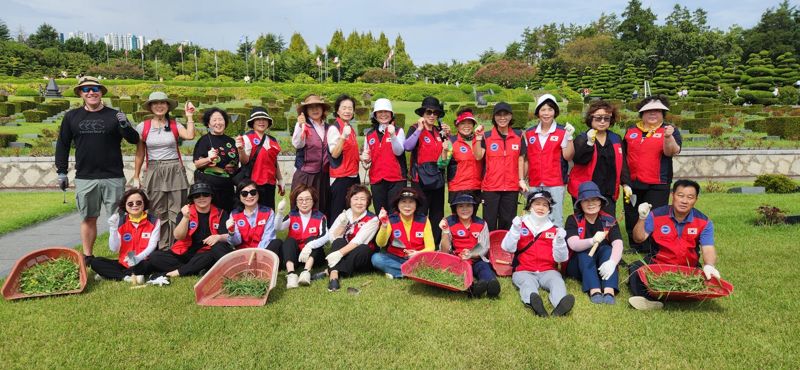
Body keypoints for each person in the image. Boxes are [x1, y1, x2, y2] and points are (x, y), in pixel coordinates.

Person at [55, 76, 140, 261]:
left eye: (95, 88)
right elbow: (62, 145)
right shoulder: (72, 116)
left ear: (101, 92)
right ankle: (88, 256)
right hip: (86, 176)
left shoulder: (114, 115)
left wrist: (125, 125)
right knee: (88, 218)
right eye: (86, 89)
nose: (91, 92)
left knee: (119, 219)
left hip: (113, 176)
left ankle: (125, 257)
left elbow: (134, 139)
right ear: (80, 94)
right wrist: (61, 172)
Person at [628, 179, 720, 310]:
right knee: (635, 269)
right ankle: (648, 301)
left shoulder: (704, 222)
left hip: (688, 268)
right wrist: (642, 218)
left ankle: (681, 294)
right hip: (658, 265)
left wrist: (710, 265)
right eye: (680, 195)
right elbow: (638, 238)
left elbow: (708, 248)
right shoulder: (656, 215)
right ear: (673, 195)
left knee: (707, 278)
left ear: (696, 200)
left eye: (690, 197)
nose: (684, 201)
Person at [132, 92, 195, 249]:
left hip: (174, 169)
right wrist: (136, 175)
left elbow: (190, 135)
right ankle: (159, 246)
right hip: (154, 169)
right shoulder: (143, 126)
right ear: (151, 107)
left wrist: (189, 116)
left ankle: (176, 245)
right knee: (156, 209)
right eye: (155, 103)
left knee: (177, 209)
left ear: (167, 106)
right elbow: (140, 153)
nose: (159, 106)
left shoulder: (174, 124)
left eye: (163, 103)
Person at [622, 95, 682, 253]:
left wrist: (668, 137)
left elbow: (672, 152)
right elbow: (623, 156)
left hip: (658, 183)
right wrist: (624, 181)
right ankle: (635, 246)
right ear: (642, 114)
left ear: (663, 113)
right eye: (648, 111)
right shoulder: (631, 131)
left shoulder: (669, 130)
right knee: (632, 214)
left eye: (657, 110)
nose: (653, 113)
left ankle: (652, 246)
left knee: (654, 214)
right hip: (633, 183)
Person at [501, 191, 574, 317]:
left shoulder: (554, 229)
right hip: (524, 270)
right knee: (527, 284)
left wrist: (560, 242)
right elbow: (507, 247)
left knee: (557, 282)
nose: (541, 208)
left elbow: (561, 258)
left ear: (549, 209)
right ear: (530, 206)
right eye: (537, 204)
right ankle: (534, 303)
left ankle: (560, 305)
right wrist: (514, 230)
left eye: (545, 205)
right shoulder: (520, 224)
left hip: (548, 270)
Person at [147, 182, 230, 281]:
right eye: (197, 195)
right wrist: (186, 218)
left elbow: (229, 237)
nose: (201, 198)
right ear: (192, 199)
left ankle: (178, 272)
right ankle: (196, 269)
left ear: (211, 196)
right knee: (155, 257)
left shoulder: (221, 213)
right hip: (185, 253)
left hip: (206, 253)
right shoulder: (185, 212)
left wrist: (219, 237)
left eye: (205, 194)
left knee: (215, 251)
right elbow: (179, 236)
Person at [568, 100, 631, 216]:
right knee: (585, 225)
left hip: (608, 189)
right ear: (591, 118)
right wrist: (589, 144)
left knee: (607, 224)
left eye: (606, 118)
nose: (602, 121)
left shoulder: (615, 139)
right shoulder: (582, 138)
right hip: (586, 191)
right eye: (598, 118)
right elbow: (579, 160)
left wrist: (626, 184)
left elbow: (622, 163)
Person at [521, 93, 575, 226]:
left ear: (555, 112)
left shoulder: (562, 131)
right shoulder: (529, 133)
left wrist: (569, 137)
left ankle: (556, 245)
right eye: (543, 109)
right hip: (535, 181)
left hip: (555, 182)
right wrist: (522, 179)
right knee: (534, 216)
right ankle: (537, 245)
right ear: (538, 112)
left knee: (555, 217)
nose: (546, 113)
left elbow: (568, 156)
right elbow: (527, 158)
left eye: (550, 110)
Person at [565, 181, 623, 304]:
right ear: (580, 203)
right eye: (586, 200)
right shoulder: (573, 219)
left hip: (602, 264)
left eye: (594, 199)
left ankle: (609, 290)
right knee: (584, 253)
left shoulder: (609, 220)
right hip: (579, 265)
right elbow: (573, 244)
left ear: (600, 202)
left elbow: (618, 243)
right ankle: (594, 290)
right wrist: (592, 241)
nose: (591, 203)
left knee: (607, 250)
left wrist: (612, 262)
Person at [474, 102, 525, 231]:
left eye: (505, 114)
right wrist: (478, 138)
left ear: (510, 116)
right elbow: (478, 156)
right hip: (491, 187)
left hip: (511, 187)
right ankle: (489, 250)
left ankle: (505, 251)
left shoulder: (518, 136)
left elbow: (521, 159)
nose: (502, 118)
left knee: (507, 222)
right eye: (499, 115)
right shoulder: (487, 136)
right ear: (494, 117)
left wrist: (521, 180)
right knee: (489, 222)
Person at [404, 96, 449, 244]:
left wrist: (447, 135)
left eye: (435, 113)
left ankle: (435, 244)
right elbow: (408, 147)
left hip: (437, 177)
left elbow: (447, 151)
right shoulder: (414, 128)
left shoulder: (439, 131)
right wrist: (419, 130)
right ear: (423, 113)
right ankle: (418, 243)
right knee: (421, 212)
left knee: (437, 213)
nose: (432, 115)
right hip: (420, 178)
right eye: (428, 112)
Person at [89, 189, 158, 281]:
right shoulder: (121, 221)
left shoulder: (154, 221)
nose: (135, 206)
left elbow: (152, 246)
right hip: (124, 262)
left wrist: (138, 258)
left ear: (144, 203)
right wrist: (113, 228)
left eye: (138, 202)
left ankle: (109, 274)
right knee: (95, 262)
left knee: (148, 265)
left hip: (143, 261)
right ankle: (126, 277)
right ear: (125, 205)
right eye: (130, 204)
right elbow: (114, 248)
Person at [439, 194, 499, 298]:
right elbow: (444, 250)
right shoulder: (449, 222)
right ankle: (472, 289)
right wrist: (445, 231)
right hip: (458, 259)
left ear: (473, 208)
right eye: (461, 206)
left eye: (468, 206)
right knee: (460, 274)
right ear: (455, 208)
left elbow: (484, 247)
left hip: (476, 259)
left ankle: (490, 285)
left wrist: (471, 254)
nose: (465, 209)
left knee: (484, 269)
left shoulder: (481, 223)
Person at [324, 184, 380, 291]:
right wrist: (342, 225)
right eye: (356, 199)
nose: (359, 203)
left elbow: (358, 241)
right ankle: (334, 276)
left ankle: (329, 270)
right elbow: (331, 237)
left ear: (368, 202)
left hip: (361, 256)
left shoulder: (373, 219)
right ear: (350, 200)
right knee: (338, 241)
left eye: (363, 199)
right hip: (345, 251)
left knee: (363, 248)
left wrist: (339, 253)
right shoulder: (345, 214)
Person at [372, 187, 435, 279]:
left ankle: (399, 272)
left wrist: (418, 253)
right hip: (396, 258)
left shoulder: (424, 220)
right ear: (397, 204)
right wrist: (384, 225)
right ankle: (413, 273)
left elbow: (431, 247)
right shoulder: (391, 219)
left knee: (433, 260)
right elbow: (381, 243)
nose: (407, 206)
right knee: (376, 258)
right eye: (403, 202)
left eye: (411, 202)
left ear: (416, 204)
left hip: (418, 258)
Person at [273, 184, 328, 289]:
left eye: (308, 199)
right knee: (289, 240)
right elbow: (278, 227)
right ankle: (291, 274)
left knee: (314, 239)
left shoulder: (320, 216)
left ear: (313, 201)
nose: (304, 203)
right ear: (296, 202)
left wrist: (310, 246)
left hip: (313, 257)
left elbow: (326, 236)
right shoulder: (292, 215)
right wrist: (280, 213)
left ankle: (306, 272)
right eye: (300, 200)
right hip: (295, 255)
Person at [361, 98, 407, 213]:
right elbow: (367, 158)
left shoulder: (398, 131)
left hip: (396, 179)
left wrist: (392, 135)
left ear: (391, 114)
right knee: (380, 213)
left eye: (386, 112)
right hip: (377, 180)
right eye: (380, 112)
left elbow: (399, 151)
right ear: (375, 115)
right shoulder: (370, 134)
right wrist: (365, 159)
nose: (383, 115)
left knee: (395, 213)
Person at [292, 94, 332, 219]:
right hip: (305, 174)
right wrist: (300, 126)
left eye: (318, 107)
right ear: (306, 111)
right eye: (311, 108)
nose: (315, 110)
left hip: (323, 175)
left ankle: (319, 230)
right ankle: (299, 231)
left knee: (321, 203)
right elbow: (297, 144)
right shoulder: (303, 125)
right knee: (303, 203)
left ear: (323, 109)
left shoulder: (328, 127)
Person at [235, 107, 284, 209]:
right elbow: (244, 161)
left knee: (269, 213)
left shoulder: (272, 140)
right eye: (258, 119)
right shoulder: (247, 138)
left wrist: (280, 179)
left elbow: (274, 161)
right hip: (253, 185)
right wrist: (241, 149)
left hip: (270, 184)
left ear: (268, 122)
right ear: (252, 122)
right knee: (253, 213)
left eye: (264, 119)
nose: (261, 122)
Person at [193, 108, 238, 211]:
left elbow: (236, 164)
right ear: (208, 124)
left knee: (226, 218)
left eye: (220, 119)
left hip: (228, 189)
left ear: (225, 122)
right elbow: (197, 163)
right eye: (214, 120)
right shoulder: (204, 140)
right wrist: (209, 159)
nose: (218, 122)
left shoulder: (231, 141)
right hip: (209, 189)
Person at [327, 94, 360, 223]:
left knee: (351, 210)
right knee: (338, 211)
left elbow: (350, 152)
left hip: (353, 175)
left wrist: (362, 158)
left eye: (350, 108)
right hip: (340, 177)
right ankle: (333, 240)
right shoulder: (334, 128)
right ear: (338, 110)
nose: (347, 111)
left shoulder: (350, 128)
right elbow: (334, 154)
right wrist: (342, 136)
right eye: (344, 108)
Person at [225, 180, 280, 252]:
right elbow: (236, 242)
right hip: (243, 254)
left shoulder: (269, 212)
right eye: (244, 193)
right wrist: (231, 232)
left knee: (277, 243)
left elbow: (268, 238)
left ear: (258, 193)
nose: (249, 196)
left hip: (263, 252)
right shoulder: (234, 214)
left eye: (253, 192)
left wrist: (256, 253)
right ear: (239, 196)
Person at [446, 108, 483, 208]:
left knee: (473, 221)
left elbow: (481, 158)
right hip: (458, 188)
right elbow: (442, 163)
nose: (466, 126)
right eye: (463, 123)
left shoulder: (479, 140)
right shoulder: (451, 141)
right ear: (457, 125)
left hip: (476, 187)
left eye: (469, 123)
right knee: (457, 222)